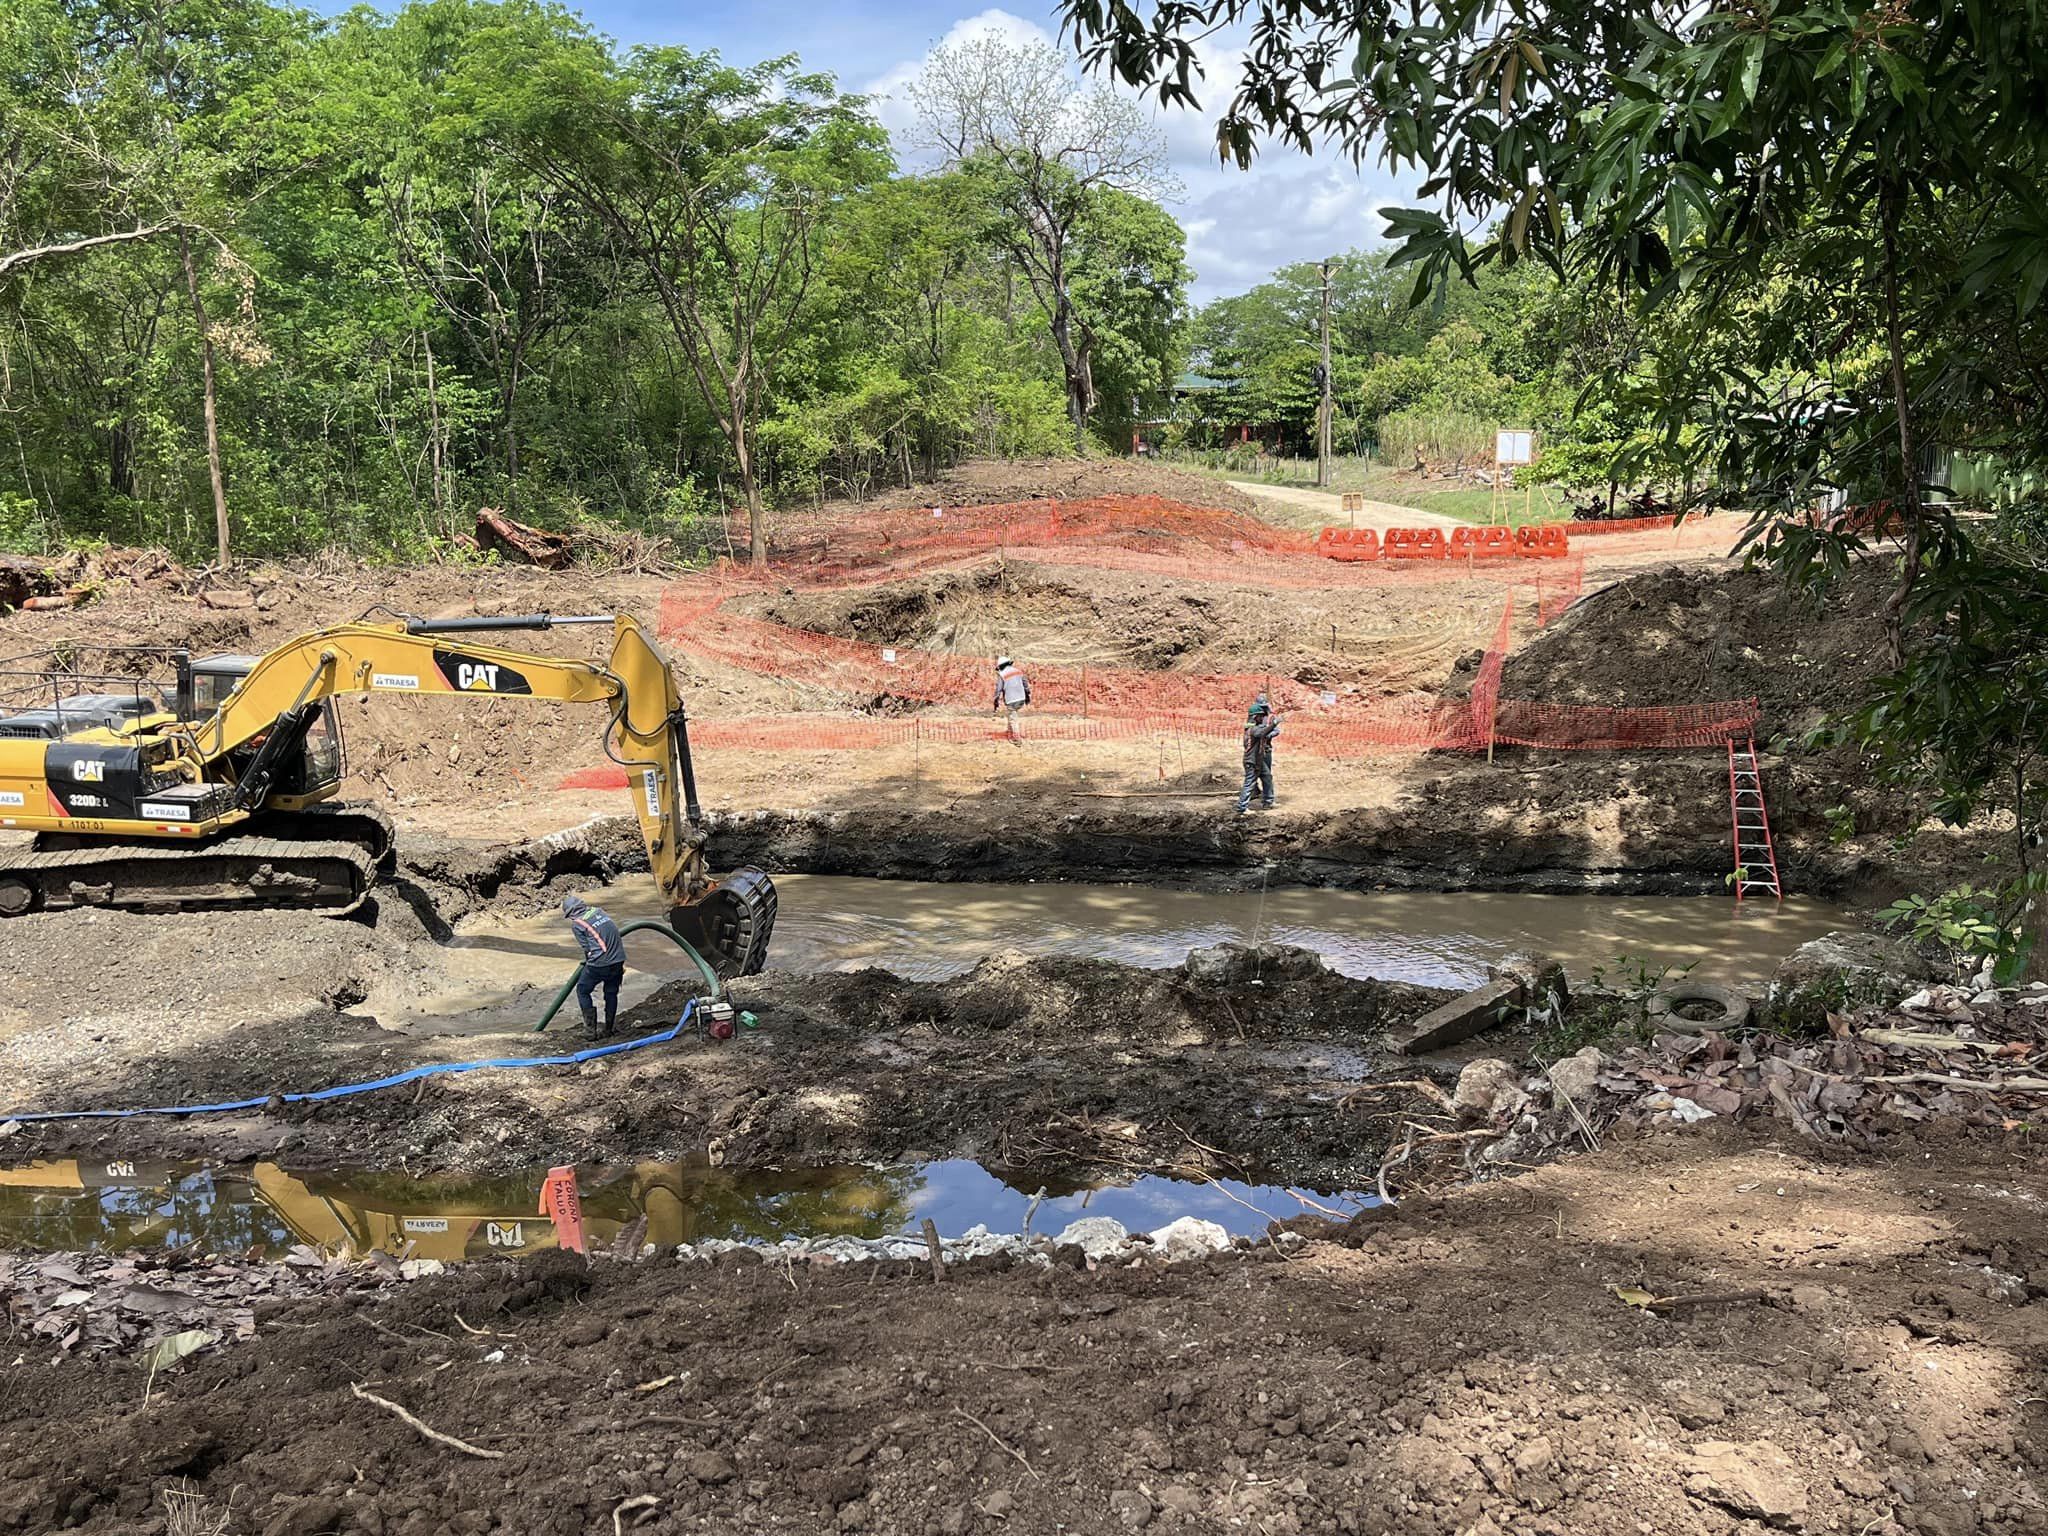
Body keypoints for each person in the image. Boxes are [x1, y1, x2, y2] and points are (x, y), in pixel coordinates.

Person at [562, 893, 627, 1038]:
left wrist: (588, 963)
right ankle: (609, 1029)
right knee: (611, 993)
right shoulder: (599, 911)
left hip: (600, 963)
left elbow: (587, 949)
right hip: (619, 959)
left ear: (571, 913)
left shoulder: (578, 924)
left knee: (582, 990)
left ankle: (590, 1031)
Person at [1237, 697, 1282, 814]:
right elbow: (1262, 732)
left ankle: (1268, 801)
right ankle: (1242, 807)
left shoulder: (1254, 727)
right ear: (1255, 717)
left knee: (1267, 776)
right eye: (1260, 716)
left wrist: (1272, 727)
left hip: (1258, 759)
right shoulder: (1253, 729)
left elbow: (1266, 731)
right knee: (1250, 782)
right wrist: (1273, 724)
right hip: (1252, 760)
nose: (1263, 718)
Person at [992, 654, 1031, 742]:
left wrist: (996, 700)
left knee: (1013, 718)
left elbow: (998, 689)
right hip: (1021, 698)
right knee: (1011, 715)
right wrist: (1027, 696)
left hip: (1011, 700)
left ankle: (1017, 739)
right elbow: (1025, 684)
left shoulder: (1002, 674)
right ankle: (1009, 733)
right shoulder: (1018, 671)